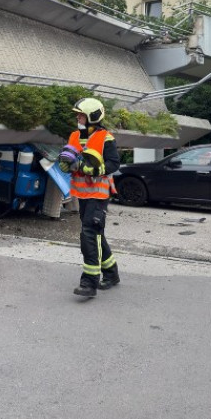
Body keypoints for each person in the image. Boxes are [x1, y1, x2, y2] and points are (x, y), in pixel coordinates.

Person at [58, 97, 121, 298]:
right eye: (78, 114)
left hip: (100, 194)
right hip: (83, 194)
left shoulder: (106, 138)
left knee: (89, 234)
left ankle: (89, 282)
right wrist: (66, 165)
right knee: (95, 233)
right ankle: (111, 274)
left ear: (92, 117)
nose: (78, 117)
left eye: (81, 115)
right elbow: (70, 158)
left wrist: (93, 170)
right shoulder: (74, 136)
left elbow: (114, 164)